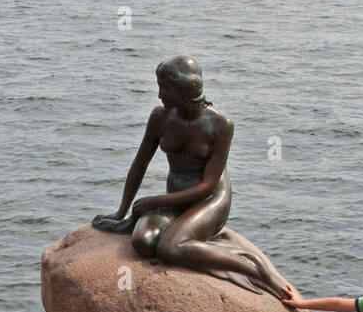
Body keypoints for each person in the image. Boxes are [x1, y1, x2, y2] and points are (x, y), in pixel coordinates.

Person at [92, 56, 294, 299]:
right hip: (175, 199)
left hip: (210, 199)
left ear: (184, 89)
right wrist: (121, 211)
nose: (159, 95)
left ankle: (255, 270)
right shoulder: (161, 117)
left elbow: (207, 185)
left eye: (165, 88)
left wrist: (155, 202)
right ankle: (196, 246)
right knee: (143, 242)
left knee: (170, 246)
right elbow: (140, 163)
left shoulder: (221, 124)